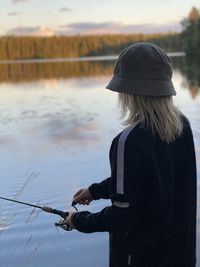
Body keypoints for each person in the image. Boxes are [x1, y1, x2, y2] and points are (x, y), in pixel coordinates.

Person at [65, 43, 197, 267]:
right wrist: (95, 191)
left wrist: (77, 220)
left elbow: (123, 217)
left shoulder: (128, 141)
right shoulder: (181, 125)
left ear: (129, 91)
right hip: (180, 255)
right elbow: (150, 183)